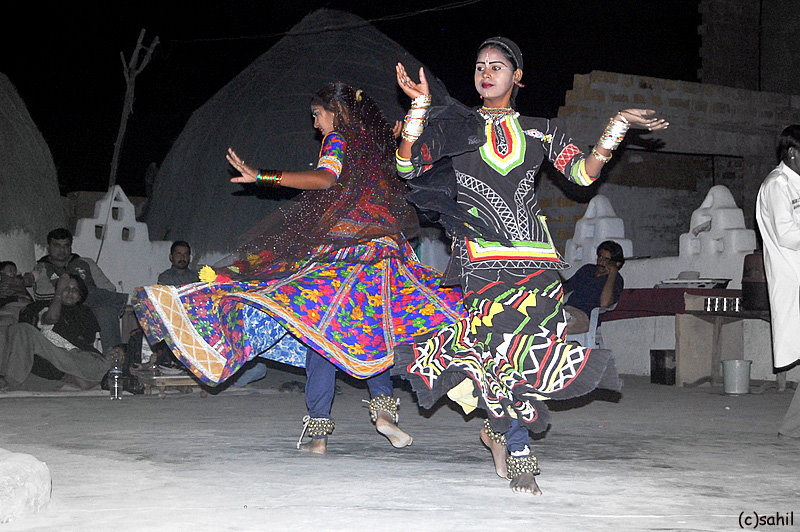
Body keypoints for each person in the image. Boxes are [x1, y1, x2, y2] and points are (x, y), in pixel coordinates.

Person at [393, 36, 668, 494]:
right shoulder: (456, 127)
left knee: (528, 356)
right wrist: (420, 108)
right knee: (498, 352)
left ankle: (499, 431)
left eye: (497, 66)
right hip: (481, 260)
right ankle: (519, 448)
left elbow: (581, 175)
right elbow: (406, 167)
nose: (486, 72)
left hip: (536, 263)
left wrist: (616, 125)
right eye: (479, 65)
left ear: (517, 77)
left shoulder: (542, 130)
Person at [133, 82, 463, 452]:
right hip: (385, 254)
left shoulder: (338, 140)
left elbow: (326, 178)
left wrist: (263, 176)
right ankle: (384, 414)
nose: (316, 124)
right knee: (374, 331)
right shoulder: (376, 145)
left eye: (317, 115)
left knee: (317, 332)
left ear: (336, 113)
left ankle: (319, 433)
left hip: (343, 252)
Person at [755, 124, 800, 439]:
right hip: (792, 277)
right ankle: (792, 426)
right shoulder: (777, 185)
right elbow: (786, 235)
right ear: (793, 153)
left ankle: (792, 426)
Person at [0, 273, 111, 390]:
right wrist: (58, 295)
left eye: (75, 290)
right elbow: (51, 318)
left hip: (76, 357)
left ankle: (72, 381)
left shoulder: (85, 312)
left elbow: (88, 341)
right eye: (66, 288)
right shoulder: (44, 306)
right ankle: (13, 380)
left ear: (80, 296)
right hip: (50, 353)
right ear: (58, 290)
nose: (70, 292)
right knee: (20, 330)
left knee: (101, 366)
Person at [35, 228, 128, 352]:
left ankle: (114, 362)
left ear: (71, 247)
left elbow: (108, 288)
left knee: (107, 311)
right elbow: (41, 294)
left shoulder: (85, 263)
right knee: (78, 291)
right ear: (49, 247)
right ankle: (121, 300)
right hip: (60, 308)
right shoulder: (42, 267)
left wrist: (84, 292)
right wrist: (71, 291)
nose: (62, 250)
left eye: (66, 246)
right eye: (57, 246)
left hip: (89, 309)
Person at [562, 240, 625, 334]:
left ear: (616, 263)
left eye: (606, 259)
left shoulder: (616, 280)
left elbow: (605, 303)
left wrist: (613, 273)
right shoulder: (588, 270)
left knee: (559, 324)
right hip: (567, 310)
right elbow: (566, 287)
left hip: (585, 317)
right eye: (600, 256)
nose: (601, 261)